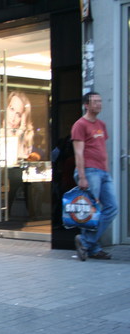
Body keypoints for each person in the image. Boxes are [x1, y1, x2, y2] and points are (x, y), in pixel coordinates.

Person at [72, 92, 118, 261]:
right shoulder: (80, 125)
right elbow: (78, 153)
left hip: (103, 173)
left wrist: (106, 171)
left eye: (100, 101)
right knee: (90, 212)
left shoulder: (101, 124)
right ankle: (92, 247)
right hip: (89, 172)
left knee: (111, 208)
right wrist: (82, 176)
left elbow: (101, 149)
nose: (99, 104)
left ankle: (86, 242)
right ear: (86, 105)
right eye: (95, 102)